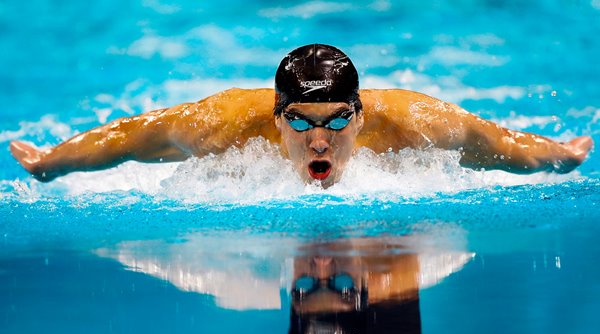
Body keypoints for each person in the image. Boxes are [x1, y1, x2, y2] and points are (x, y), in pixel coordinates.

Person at [9, 44, 593, 188]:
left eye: (337, 120)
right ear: (275, 116)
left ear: (361, 117)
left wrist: (563, 159)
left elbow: (504, 145)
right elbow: (131, 137)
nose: (319, 140)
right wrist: (51, 164)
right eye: (301, 121)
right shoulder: (225, 125)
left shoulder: (416, 124)